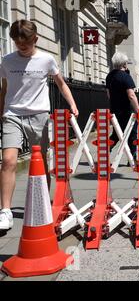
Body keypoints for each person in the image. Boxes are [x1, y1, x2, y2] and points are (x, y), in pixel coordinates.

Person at [0, 20, 79, 231]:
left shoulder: (46, 60)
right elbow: (4, 89)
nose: (20, 46)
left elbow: (61, 83)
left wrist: (72, 104)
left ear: (35, 39)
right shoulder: (7, 61)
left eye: (24, 42)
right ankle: (5, 211)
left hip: (39, 116)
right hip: (12, 114)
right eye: (17, 42)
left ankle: (41, 203)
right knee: (8, 160)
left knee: (40, 162)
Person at [106, 52, 139, 162]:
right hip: (127, 110)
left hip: (115, 109)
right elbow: (131, 95)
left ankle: (107, 148)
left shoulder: (109, 76)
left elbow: (108, 94)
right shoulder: (126, 77)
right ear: (124, 64)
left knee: (116, 133)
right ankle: (133, 156)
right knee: (132, 133)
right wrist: (138, 110)